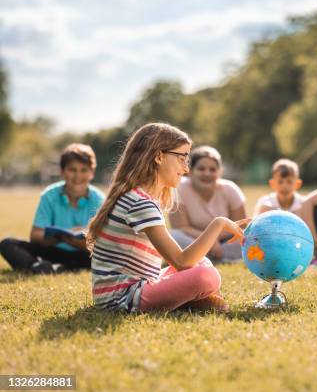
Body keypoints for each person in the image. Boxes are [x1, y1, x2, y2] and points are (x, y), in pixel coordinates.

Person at [87, 123, 245, 313]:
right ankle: (191, 302)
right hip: (122, 299)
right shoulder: (140, 202)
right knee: (205, 275)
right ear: (159, 156)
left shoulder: (139, 197)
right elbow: (181, 261)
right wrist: (218, 223)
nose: (186, 168)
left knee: (203, 263)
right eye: (182, 158)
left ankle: (190, 301)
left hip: (138, 287)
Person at [0, 143, 104, 273]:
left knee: (108, 255)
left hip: (85, 254)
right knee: (8, 244)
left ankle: (53, 267)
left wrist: (73, 241)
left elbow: (102, 244)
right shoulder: (49, 195)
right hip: (53, 251)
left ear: (92, 173)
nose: (78, 176)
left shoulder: (100, 200)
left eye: (84, 170)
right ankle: (37, 267)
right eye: (72, 170)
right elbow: (35, 235)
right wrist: (62, 236)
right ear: (62, 172)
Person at [168, 146, 246, 261]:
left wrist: (213, 239)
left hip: (225, 241)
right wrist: (209, 240)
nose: (207, 173)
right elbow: (180, 227)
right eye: (201, 169)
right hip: (193, 240)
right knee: (173, 235)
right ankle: (213, 256)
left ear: (219, 173)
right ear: (190, 171)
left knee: (250, 238)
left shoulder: (230, 189)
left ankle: (205, 257)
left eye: (212, 169)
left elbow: (241, 226)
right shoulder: (179, 188)